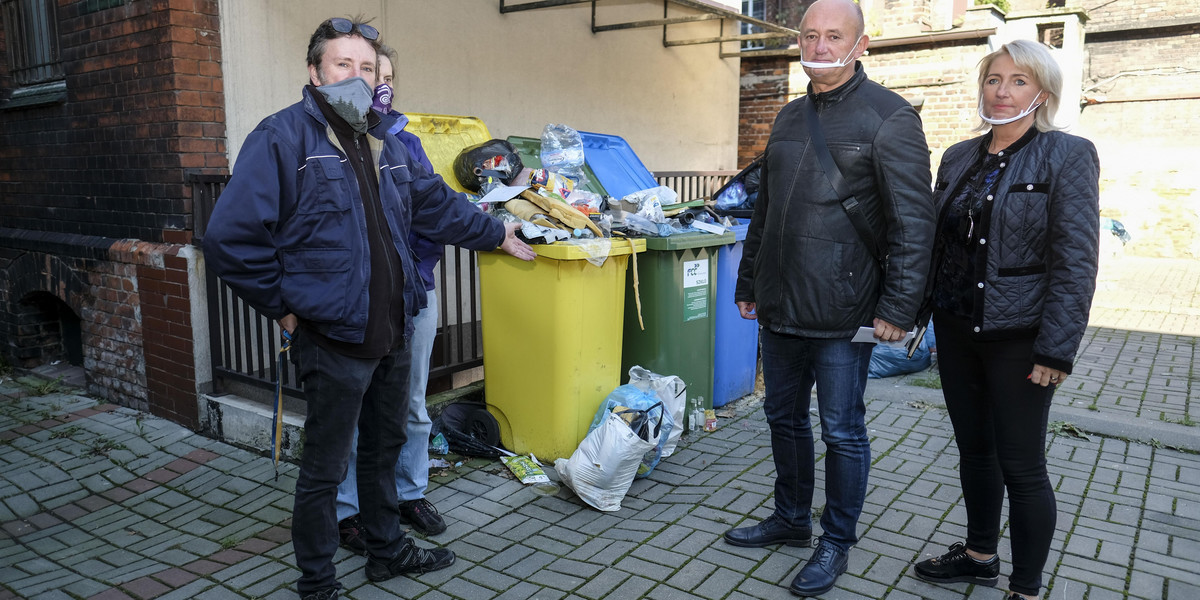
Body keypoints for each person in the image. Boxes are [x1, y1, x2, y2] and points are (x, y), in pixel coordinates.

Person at [202, 17, 535, 600]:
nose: (355, 77)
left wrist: (494, 233)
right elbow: (230, 239)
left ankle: (386, 553)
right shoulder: (283, 138)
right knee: (325, 470)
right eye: (341, 65)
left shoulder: (388, 139)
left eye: (364, 67)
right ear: (314, 73)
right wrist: (281, 308)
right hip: (332, 338)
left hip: (393, 329)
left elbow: (435, 206)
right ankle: (318, 582)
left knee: (382, 452)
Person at [726, 0, 935, 596]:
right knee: (781, 418)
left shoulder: (890, 117)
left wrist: (898, 309)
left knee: (842, 430)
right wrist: (748, 285)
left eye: (833, 36)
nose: (818, 46)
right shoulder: (790, 117)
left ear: (861, 44)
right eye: (809, 35)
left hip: (845, 312)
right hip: (780, 305)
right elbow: (764, 210)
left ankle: (836, 541)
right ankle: (790, 519)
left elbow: (914, 226)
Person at [911, 40, 1099, 600]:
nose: (1001, 90)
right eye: (994, 79)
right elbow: (935, 247)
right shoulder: (958, 157)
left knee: (1022, 464)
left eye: (1018, 80)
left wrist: (1056, 349)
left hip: (1022, 338)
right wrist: (911, 313)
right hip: (957, 328)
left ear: (1042, 93)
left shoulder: (1067, 154)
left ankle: (1027, 586)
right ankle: (978, 555)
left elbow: (1076, 257)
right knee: (975, 451)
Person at [334, 44, 450, 555]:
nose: (375, 84)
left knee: (413, 405)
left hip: (414, 293)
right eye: (362, 72)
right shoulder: (329, 141)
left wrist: (417, 271)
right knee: (356, 409)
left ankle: (409, 493)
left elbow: (433, 215)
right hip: (355, 300)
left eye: (383, 76)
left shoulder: (407, 143)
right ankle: (348, 510)